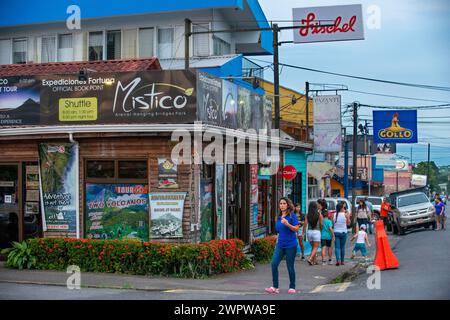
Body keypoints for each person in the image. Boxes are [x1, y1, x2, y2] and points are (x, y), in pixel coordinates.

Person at [265, 198, 300, 294]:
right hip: (280, 244)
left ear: (288, 205)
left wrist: (288, 224)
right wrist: (276, 242)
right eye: (280, 203)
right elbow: (279, 232)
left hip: (290, 245)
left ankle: (292, 287)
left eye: (284, 203)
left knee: (290, 266)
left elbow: (296, 229)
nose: (282, 205)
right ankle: (275, 287)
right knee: (274, 263)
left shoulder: (292, 216)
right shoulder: (279, 217)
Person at [302, 201, 323, 266]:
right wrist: (320, 229)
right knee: (316, 247)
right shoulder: (319, 214)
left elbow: (305, 224)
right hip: (316, 232)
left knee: (313, 247)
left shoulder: (307, 214)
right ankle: (310, 258)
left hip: (309, 232)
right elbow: (321, 224)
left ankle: (314, 261)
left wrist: (303, 233)